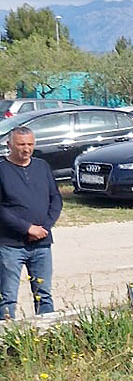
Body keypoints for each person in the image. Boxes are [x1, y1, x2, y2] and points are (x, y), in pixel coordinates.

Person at [0, 126, 62, 320]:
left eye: (30, 144)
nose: (26, 149)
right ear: (9, 145)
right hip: (10, 245)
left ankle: (47, 333)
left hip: (42, 244)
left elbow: (56, 199)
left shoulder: (42, 166)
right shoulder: (2, 169)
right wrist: (27, 228)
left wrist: (45, 228)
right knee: (7, 297)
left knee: (44, 295)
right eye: (21, 144)